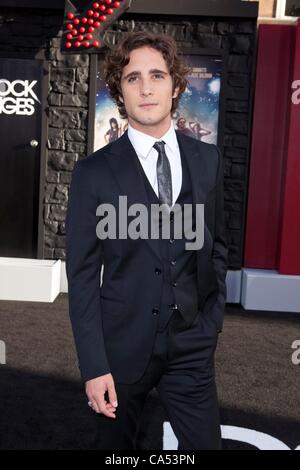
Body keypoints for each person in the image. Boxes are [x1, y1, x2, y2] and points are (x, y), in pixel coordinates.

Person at [66, 31, 228, 450]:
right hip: (120, 351)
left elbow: (218, 248)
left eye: (156, 75)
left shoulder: (207, 160)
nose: (146, 87)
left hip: (191, 347)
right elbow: (82, 276)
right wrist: (93, 365)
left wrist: (210, 323)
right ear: (120, 90)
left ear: (175, 86)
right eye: (132, 77)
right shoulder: (94, 172)